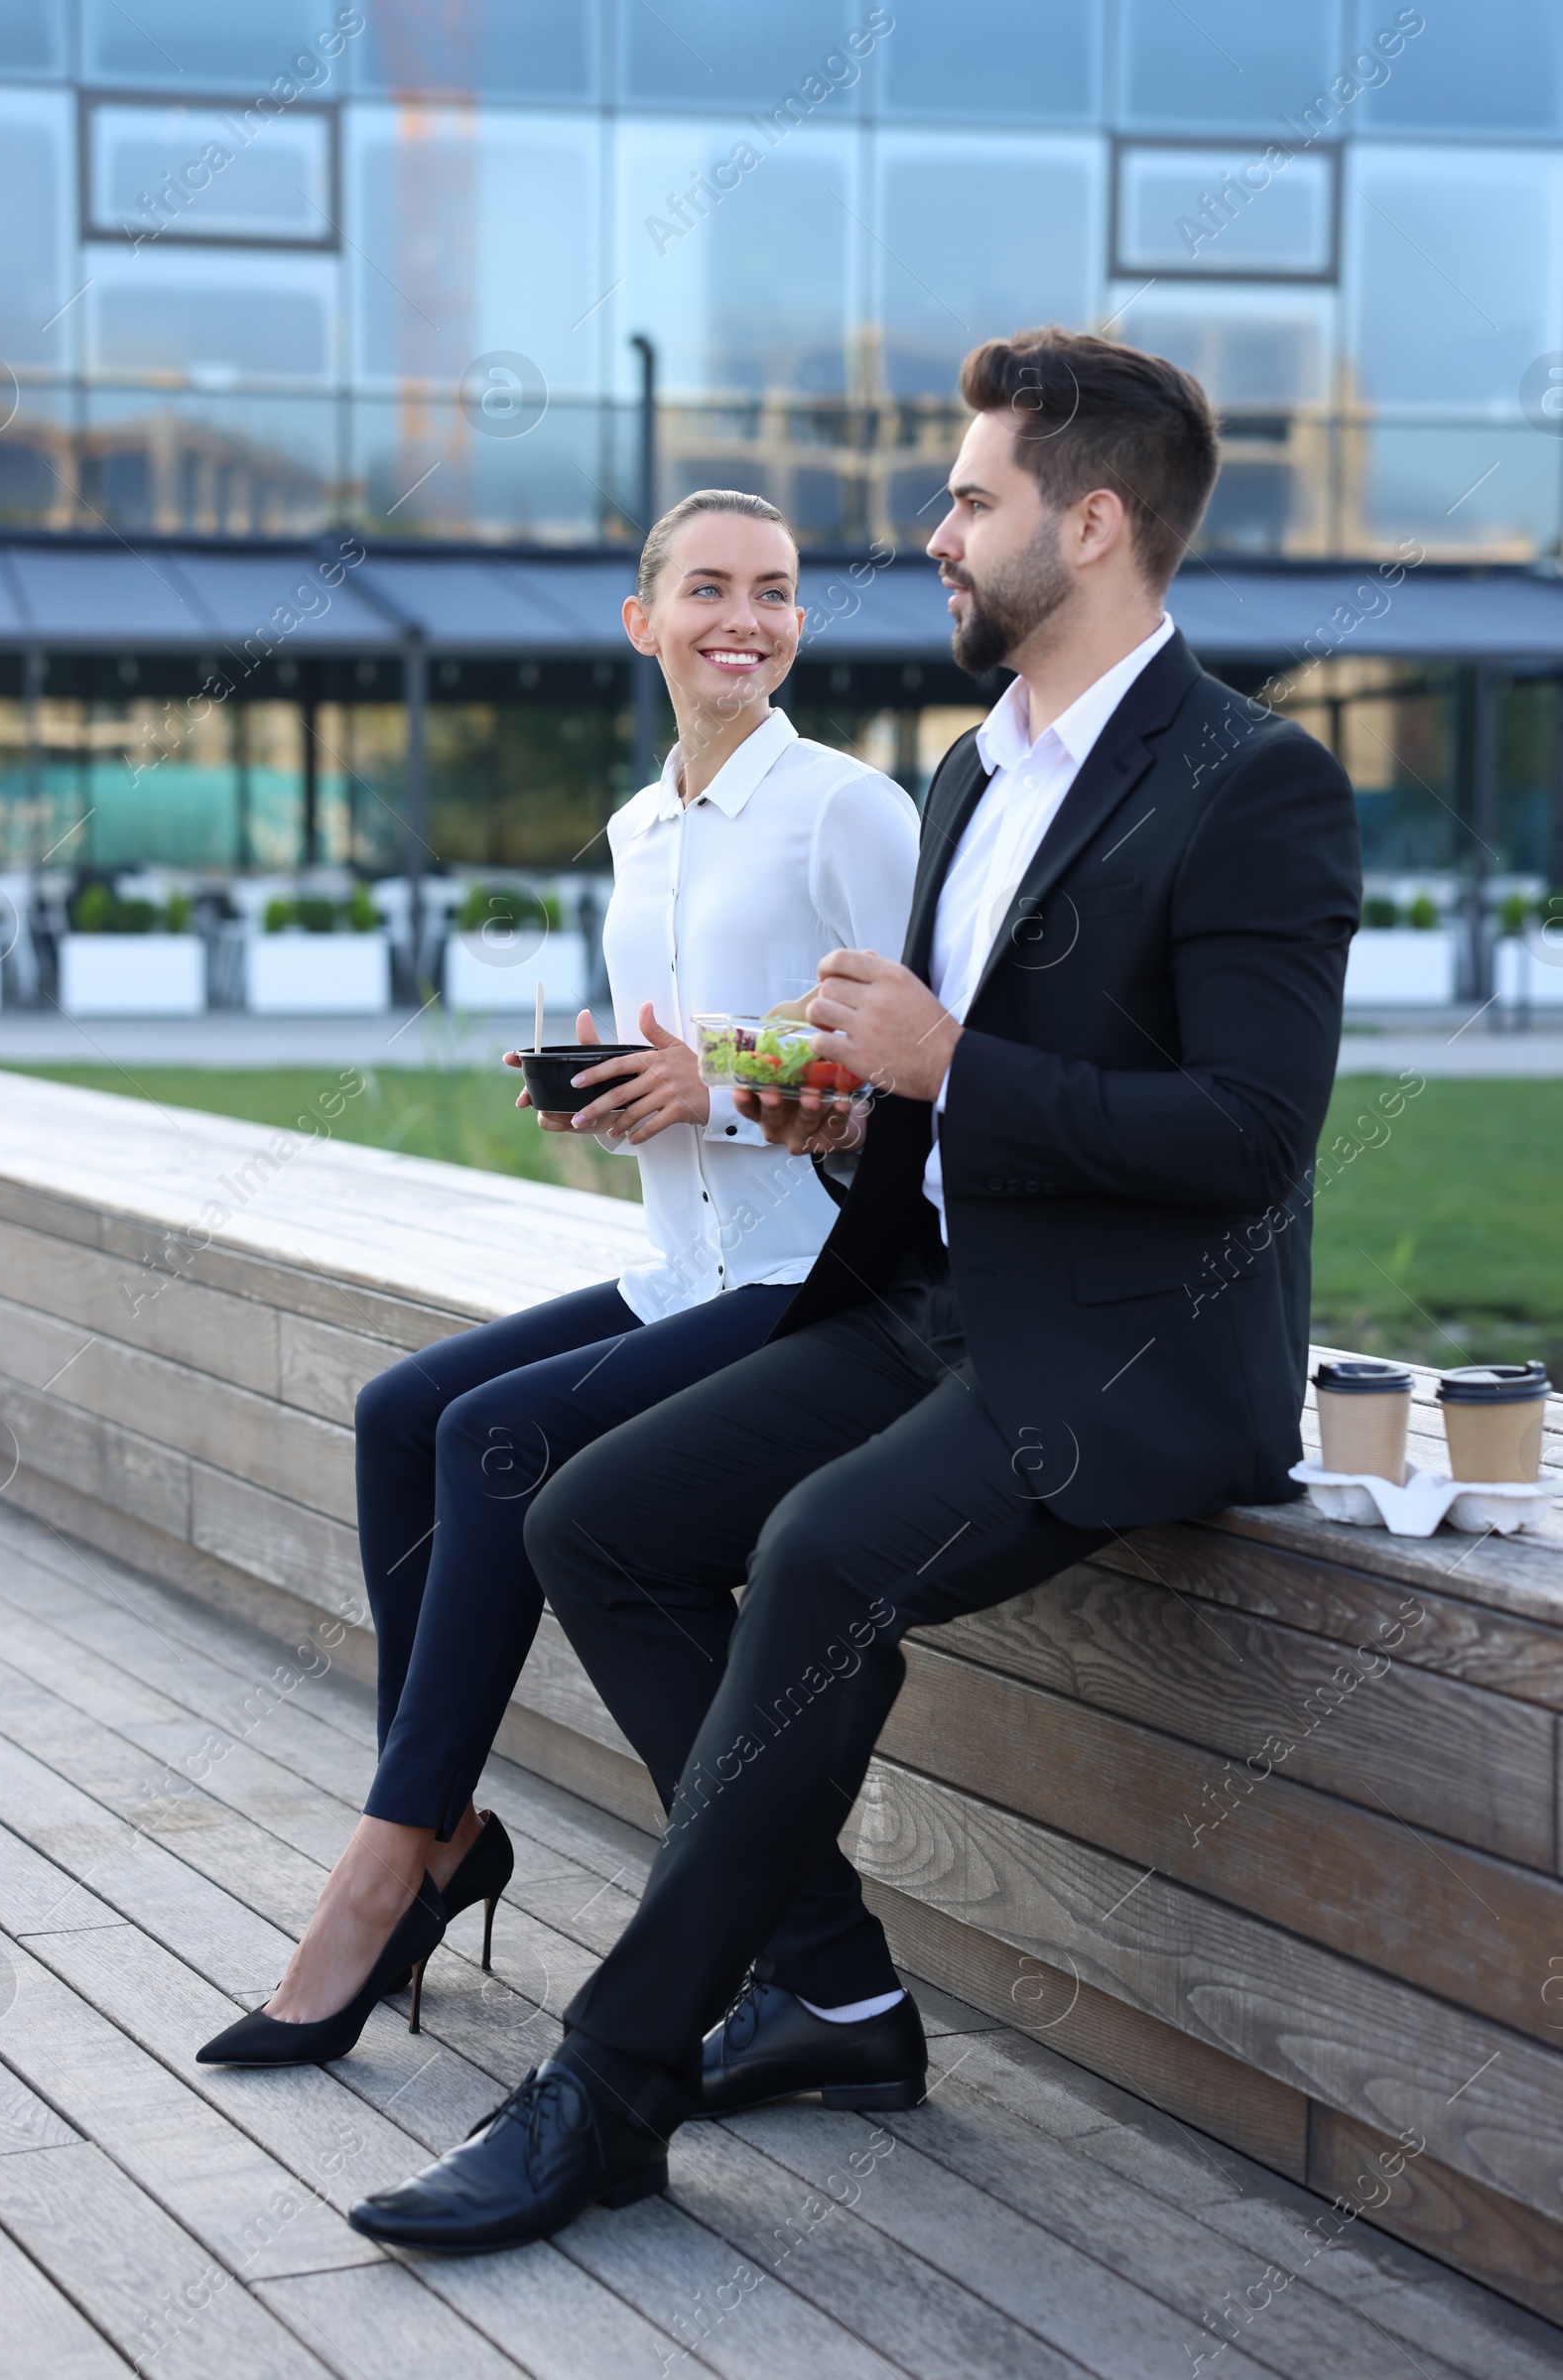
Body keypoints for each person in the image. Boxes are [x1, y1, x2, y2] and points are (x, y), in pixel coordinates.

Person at [346, 325, 1363, 2248]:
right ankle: (832, 1988)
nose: (933, 538)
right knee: (594, 1518)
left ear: (1087, 521)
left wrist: (947, 1068)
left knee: (817, 1554)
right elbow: (908, 1088)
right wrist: (818, 1109)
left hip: (1129, 1359)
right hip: (936, 1302)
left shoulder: (1255, 782)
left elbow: (1245, 1134)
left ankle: (607, 2090)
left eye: (966, 502)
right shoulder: (978, 772)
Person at [196, 489, 918, 2068]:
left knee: (491, 1438)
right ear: (640, 620)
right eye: (711, 590)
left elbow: (915, 1067)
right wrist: (619, 1094)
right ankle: (445, 1825)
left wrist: (714, 1089)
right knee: (404, 1412)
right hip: (689, 1263)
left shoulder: (850, 810)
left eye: (778, 593)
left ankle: (386, 1867)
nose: (747, 619)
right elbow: (691, 1056)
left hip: (815, 1278)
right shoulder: (640, 832)